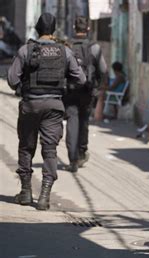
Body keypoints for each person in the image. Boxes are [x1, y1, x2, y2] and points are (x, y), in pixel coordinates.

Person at [7, 13, 86, 210]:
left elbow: (11, 80)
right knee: (49, 150)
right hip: (54, 106)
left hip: (30, 104)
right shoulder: (64, 52)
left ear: (37, 28)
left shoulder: (26, 50)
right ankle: (44, 196)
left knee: (26, 147)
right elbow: (81, 79)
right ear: (54, 30)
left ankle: (25, 192)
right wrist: (64, 86)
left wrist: (22, 88)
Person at [63, 16, 107, 172]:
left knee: (71, 122)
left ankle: (72, 159)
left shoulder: (67, 46)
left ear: (74, 28)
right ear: (87, 29)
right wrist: (99, 88)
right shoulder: (94, 47)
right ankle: (81, 153)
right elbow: (103, 70)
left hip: (70, 90)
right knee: (84, 122)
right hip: (87, 91)